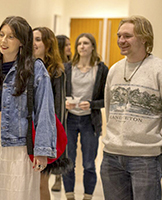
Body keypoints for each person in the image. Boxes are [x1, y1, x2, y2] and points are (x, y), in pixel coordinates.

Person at [0, 16, 57, 200]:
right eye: (1, 35)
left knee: (19, 194)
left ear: (22, 41)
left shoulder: (36, 69)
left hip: (20, 145)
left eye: (10, 36)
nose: (3, 40)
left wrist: (41, 150)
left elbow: (45, 111)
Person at [101, 15, 162, 200]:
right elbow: (109, 108)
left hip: (145, 158)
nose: (121, 41)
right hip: (111, 156)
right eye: (119, 36)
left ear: (144, 38)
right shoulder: (114, 70)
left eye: (127, 36)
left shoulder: (158, 69)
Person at [62, 33, 108, 200]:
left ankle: (88, 196)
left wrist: (92, 104)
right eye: (79, 43)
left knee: (89, 164)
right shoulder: (67, 68)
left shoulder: (101, 69)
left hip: (91, 120)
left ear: (93, 47)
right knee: (68, 161)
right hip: (70, 119)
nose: (82, 46)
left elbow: (106, 98)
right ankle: (69, 196)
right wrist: (65, 104)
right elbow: (58, 94)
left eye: (86, 43)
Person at [33, 26, 67, 200]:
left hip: (45, 134)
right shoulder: (25, 67)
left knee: (40, 184)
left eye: (38, 39)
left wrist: (51, 142)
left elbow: (59, 109)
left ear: (48, 44)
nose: (33, 43)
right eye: (32, 39)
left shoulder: (56, 71)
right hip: (27, 133)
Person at [52, 34, 73, 193]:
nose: (69, 48)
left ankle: (60, 177)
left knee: (66, 148)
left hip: (73, 110)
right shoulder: (57, 67)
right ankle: (57, 178)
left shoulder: (71, 66)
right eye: (66, 45)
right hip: (59, 109)